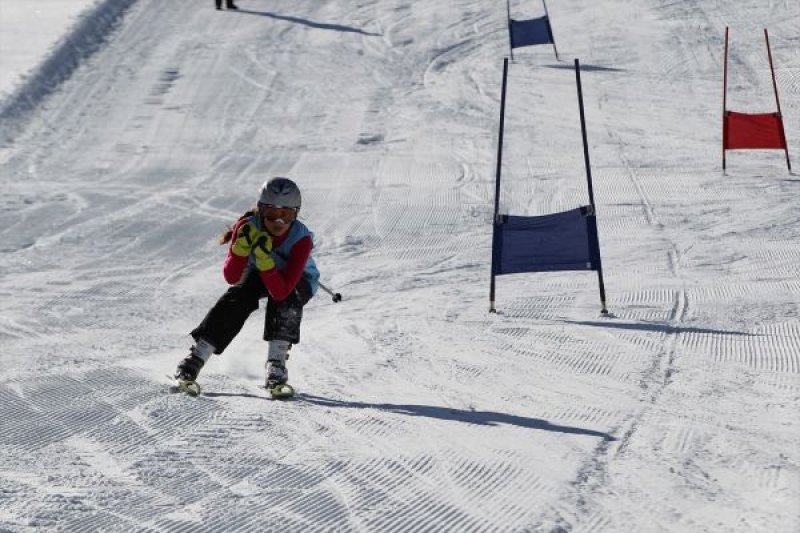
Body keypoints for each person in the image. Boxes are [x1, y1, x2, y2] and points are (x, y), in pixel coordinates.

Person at [174, 177, 319, 390]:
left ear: (295, 214)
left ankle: (276, 363)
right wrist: (240, 250)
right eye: (272, 214)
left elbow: (280, 292)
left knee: (287, 299)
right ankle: (197, 356)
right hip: (259, 272)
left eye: (286, 215)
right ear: (260, 210)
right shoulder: (248, 228)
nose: (279, 222)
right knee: (238, 296)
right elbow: (232, 277)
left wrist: (265, 261)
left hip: (296, 280)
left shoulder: (301, 238)